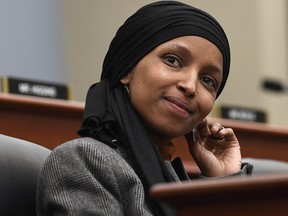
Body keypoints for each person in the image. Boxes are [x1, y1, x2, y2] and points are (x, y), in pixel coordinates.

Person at [36, 1, 253, 215]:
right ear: (126, 69)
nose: (190, 86)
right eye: (173, 60)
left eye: (208, 80)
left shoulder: (175, 180)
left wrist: (224, 182)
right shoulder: (86, 160)